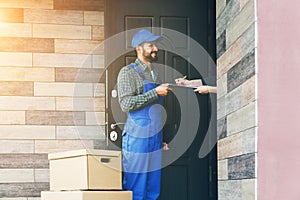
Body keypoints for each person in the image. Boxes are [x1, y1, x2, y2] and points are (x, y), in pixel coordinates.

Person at [117, 29, 172, 200]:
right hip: (137, 137)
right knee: (137, 186)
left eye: (155, 45)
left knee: (152, 187)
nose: (155, 49)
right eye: (151, 45)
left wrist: (162, 137)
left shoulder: (155, 73)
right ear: (139, 49)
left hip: (155, 136)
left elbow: (157, 110)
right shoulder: (128, 72)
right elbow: (126, 104)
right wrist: (155, 92)